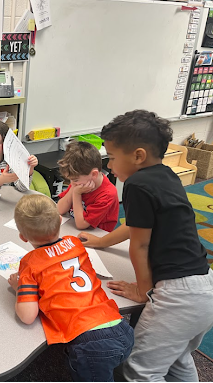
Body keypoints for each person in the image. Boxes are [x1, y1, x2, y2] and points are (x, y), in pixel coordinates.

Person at [78, 110, 213, 382]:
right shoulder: (165, 175)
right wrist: (102, 241)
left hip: (177, 297)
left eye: (113, 158)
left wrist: (143, 291)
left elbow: (139, 245)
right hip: (204, 287)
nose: (109, 166)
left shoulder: (137, 184)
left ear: (138, 156)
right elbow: (137, 226)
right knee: (177, 359)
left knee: (139, 371)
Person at [8, 194, 134, 382]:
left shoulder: (30, 263)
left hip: (91, 345)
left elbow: (27, 316)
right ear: (60, 220)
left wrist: (21, 289)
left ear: (22, 237)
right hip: (122, 328)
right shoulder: (75, 243)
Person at [56, 140, 119, 232]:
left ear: (94, 174)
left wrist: (77, 193)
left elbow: (81, 224)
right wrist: (73, 188)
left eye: (75, 180)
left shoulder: (107, 194)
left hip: (96, 235)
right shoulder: (78, 182)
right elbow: (60, 210)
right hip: (75, 227)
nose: (72, 183)